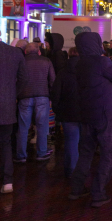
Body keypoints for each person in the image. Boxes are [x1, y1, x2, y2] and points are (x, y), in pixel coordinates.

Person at [69, 32, 112, 208]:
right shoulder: (102, 62)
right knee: (108, 154)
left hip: (87, 115)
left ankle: (76, 189)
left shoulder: (80, 64)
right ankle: (98, 193)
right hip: (105, 115)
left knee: (86, 153)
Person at [0, 24, 27, 196]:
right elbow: (24, 78)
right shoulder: (15, 53)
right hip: (7, 105)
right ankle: (7, 182)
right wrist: (14, 95)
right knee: (6, 143)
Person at [14, 42, 56, 162]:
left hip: (24, 97)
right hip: (43, 96)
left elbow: (16, 79)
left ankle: (21, 155)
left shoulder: (21, 61)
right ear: (39, 51)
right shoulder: (46, 61)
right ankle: (41, 153)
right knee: (42, 126)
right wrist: (51, 96)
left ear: (25, 51)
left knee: (23, 127)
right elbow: (53, 80)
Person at [51, 46, 81, 178]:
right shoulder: (87, 71)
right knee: (85, 143)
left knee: (71, 141)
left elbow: (55, 93)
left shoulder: (63, 72)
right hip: (85, 112)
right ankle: (82, 170)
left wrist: (58, 110)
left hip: (67, 112)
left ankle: (71, 170)